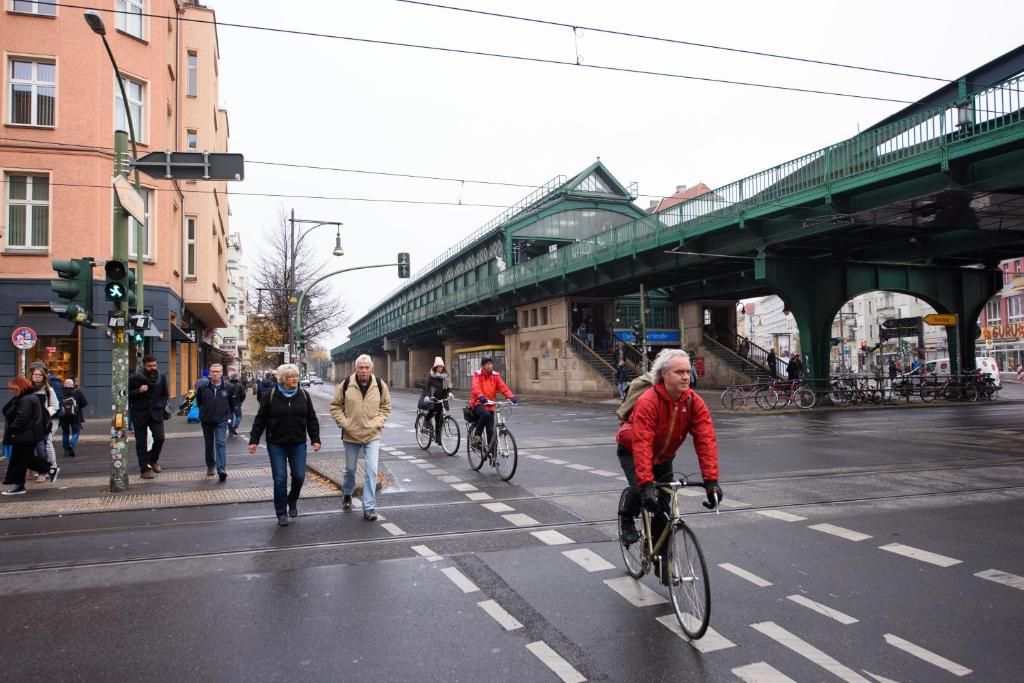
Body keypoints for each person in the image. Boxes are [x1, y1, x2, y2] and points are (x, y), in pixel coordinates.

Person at [615, 349, 721, 576]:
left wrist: (711, 481)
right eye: (679, 372)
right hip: (632, 450)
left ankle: (660, 558)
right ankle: (626, 520)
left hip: (663, 457)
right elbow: (642, 443)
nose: (686, 376)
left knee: (664, 509)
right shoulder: (648, 401)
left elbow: (706, 439)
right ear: (664, 374)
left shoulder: (694, 402)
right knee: (640, 490)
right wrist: (645, 485)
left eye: (687, 371)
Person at [248, 363, 320, 526]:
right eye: (290, 376)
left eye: (296, 376)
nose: (294, 379)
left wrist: (315, 438)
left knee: (299, 476)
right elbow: (260, 419)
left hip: (298, 443)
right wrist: (254, 440)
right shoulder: (270, 395)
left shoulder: (303, 395)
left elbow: (311, 419)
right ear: (282, 379)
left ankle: (292, 499)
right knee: (280, 479)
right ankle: (281, 512)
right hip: (276, 444)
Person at [330, 354, 391, 521]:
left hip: (372, 434)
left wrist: (377, 422)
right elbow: (335, 406)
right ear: (355, 369)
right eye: (360, 367)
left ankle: (369, 507)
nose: (363, 370)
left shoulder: (380, 385)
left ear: (372, 368)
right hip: (351, 435)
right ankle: (348, 493)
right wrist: (346, 423)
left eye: (366, 367)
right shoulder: (346, 385)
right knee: (350, 470)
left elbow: (386, 407)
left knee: (371, 471)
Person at [3, 376, 58, 494]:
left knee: (20, 460)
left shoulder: (26, 399)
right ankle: (48, 469)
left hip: (24, 435)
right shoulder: (27, 398)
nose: (11, 391)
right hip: (27, 434)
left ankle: (19, 486)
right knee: (25, 459)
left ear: (20, 387)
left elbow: (22, 418)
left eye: (13, 388)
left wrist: (12, 429)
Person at [128, 355, 169, 479]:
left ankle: (153, 459)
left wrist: (160, 406)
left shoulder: (161, 377)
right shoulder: (134, 378)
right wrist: (138, 391)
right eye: (150, 366)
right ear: (144, 365)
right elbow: (125, 394)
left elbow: (165, 394)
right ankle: (144, 469)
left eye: (154, 365)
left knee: (160, 437)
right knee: (141, 442)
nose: (153, 368)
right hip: (139, 414)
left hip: (156, 413)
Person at [196, 363, 235, 481]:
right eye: (213, 371)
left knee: (220, 442)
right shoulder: (202, 387)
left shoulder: (229, 387)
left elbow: (232, 405)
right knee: (209, 444)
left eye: (218, 371)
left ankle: (221, 469)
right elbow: (199, 402)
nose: (215, 374)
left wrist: (228, 418)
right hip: (206, 420)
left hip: (221, 420)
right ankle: (210, 466)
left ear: (222, 373)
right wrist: (203, 413)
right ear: (209, 373)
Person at [469, 357, 516, 449]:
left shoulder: (495, 376)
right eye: (487, 364)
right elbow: (475, 387)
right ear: (483, 365)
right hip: (478, 403)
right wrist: (480, 396)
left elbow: (503, 387)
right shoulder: (477, 375)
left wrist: (511, 396)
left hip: (490, 404)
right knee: (485, 415)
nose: (489, 365)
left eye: (490, 363)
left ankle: (492, 456)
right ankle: (476, 437)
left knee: (490, 430)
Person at [28, 363, 59, 472]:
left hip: (42, 423)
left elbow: (55, 405)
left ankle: (49, 468)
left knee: (44, 446)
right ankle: (32, 470)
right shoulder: (27, 388)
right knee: (29, 448)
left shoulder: (48, 390)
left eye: (39, 375)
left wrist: (46, 413)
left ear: (43, 377)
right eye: (35, 374)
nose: (36, 376)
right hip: (29, 423)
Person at [419, 356, 453, 439]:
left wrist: (450, 393)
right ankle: (426, 420)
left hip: (442, 398)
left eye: (441, 367)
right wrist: (426, 396)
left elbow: (448, 386)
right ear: (435, 367)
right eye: (438, 367)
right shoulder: (431, 375)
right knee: (434, 412)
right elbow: (426, 386)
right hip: (433, 398)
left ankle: (438, 438)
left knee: (440, 419)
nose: (440, 369)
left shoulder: (445, 376)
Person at [59, 378, 88, 458]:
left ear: (64, 385)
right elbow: (85, 403)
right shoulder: (77, 392)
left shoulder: (61, 392)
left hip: (64, 416)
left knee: (65, 433)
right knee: (76, 432)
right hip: (75, 416)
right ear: (73, 384)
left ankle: (66, 451)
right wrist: (77, 408)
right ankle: (71, 444)